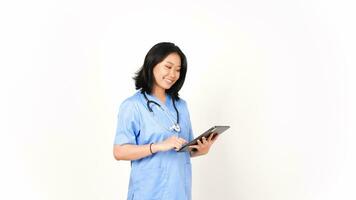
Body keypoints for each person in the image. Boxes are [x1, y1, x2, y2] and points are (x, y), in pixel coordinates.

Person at [113, 42, 219, 200]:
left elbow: (183, 150)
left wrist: (200, 150)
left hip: (179, 192)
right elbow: (119, 152)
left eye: (178, 70)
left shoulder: (181, 106)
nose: (173, 74)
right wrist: (158, 146)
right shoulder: (133, 106)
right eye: (168, 67)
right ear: (152, 64)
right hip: (148, 192)